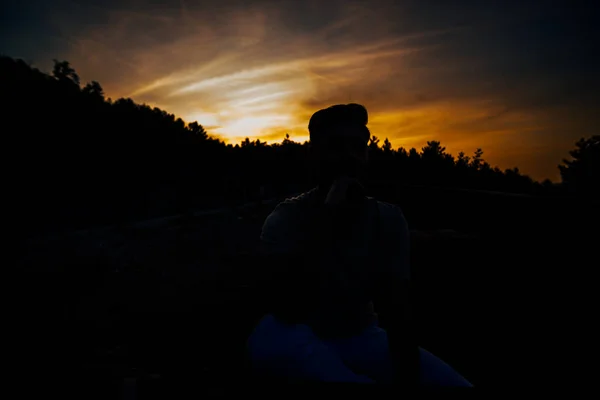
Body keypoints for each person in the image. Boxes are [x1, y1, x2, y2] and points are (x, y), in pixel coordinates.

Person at [247, 104, 472, 386]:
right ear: (314, 155)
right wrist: (329, 219)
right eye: (336, 147)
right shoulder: (285, 218)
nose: (349, 157)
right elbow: (288, 307)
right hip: (299, 335)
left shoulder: (387, 218)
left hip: (361, 335)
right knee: (271, 340)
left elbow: (397, 312)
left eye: (358, 146)